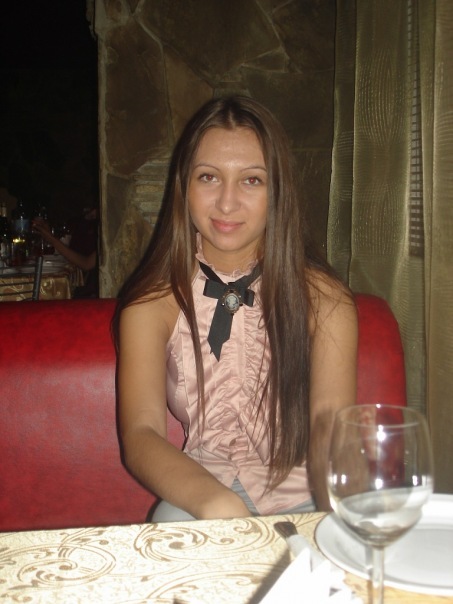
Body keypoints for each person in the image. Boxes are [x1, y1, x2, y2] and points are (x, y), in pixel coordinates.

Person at [113, 95, 358, 522]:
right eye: (209, 177)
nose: (227, 203)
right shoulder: (151, 305)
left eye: (251, 180)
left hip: (307, 493)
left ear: (277, 191)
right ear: (184, 185)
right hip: (200, 493)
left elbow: (331, 430)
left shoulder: (326, 299)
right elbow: (141, 432)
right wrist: (217, 503)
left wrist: (342, 515)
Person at [32, 207, 99, 297]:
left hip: (92, 296)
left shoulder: (109, 236)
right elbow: (75, 252)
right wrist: (50, 237)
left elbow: (86, 264)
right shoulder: (87, 224)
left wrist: (51, 239)